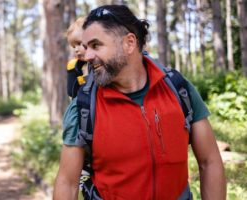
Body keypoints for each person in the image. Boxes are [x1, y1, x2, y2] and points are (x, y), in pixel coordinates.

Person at [53, 4, 226, 200]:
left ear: (129, 43)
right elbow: (67, 183)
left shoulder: (179, 89)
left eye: (96, 45)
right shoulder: (84, 107)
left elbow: (209, 161)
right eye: (86, 47)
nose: (88, 56)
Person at [65, 17, 88, 98]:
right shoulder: (75, 65)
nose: (76, 50)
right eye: (74, 46)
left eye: (79, 43)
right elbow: (71, 92)